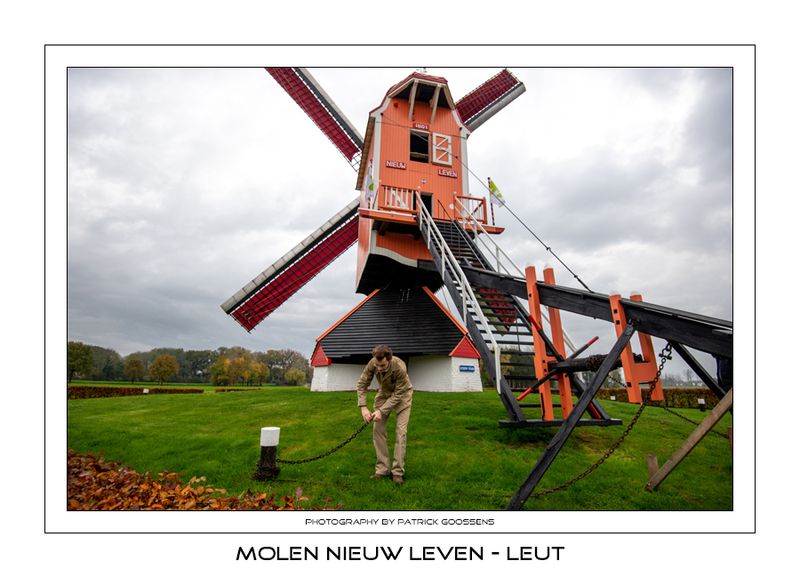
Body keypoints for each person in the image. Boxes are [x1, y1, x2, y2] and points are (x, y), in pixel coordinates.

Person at [356, 345, 413, 484]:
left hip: (402, 396)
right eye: (377, 365)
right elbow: (362, 384)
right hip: (383, 394)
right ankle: (382, 469)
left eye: (382, 366)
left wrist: (381, 411)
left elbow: (398, 394)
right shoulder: (373, 363)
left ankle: (397, 472)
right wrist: (363, 407)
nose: (378, 368)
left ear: (389, 359)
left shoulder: (399, 366)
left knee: (401, 432)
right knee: (378, 431)